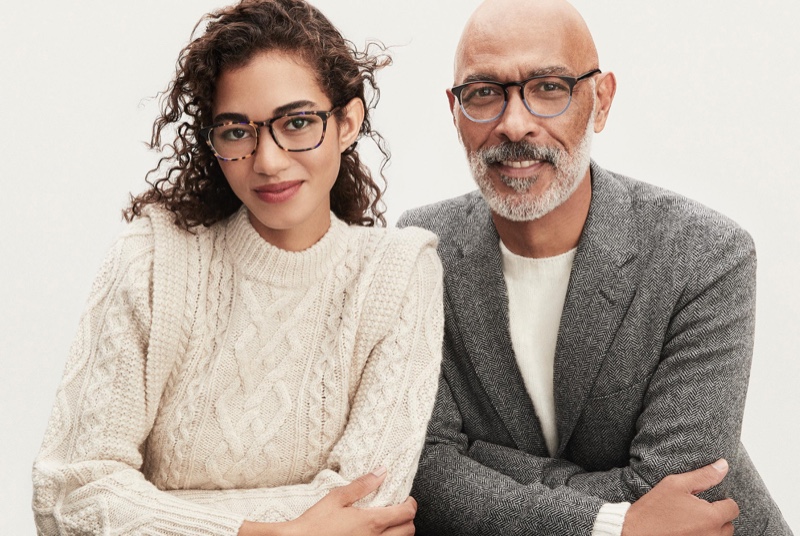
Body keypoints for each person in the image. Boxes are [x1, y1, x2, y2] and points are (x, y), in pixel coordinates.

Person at [31, 1, 443, 535]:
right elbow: (69, 494)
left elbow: (369, 509)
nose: (267, 160)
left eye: (297, 123)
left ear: (347, 122)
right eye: (235, 131)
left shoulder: (399, 273)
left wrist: (158, 508)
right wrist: (272, 534)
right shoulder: (153, 260)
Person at [398, 0, 793, 535]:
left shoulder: (705, 256)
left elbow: (685, 492)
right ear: (454, 109)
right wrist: (608, 523)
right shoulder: (420, 252)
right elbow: (425, 473)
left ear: (601, 101)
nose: (515, 124)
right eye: (484, 93)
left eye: (549, 88)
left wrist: (483, 470)